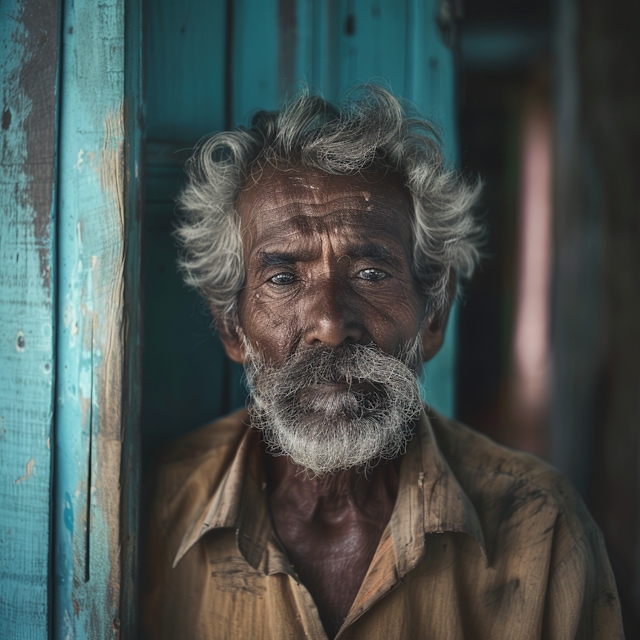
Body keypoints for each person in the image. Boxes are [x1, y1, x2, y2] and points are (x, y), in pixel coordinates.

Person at [140, 87, 624, 639]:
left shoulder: (542, 531)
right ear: (232, 327)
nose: (329, 322)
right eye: (282, 278)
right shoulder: (152, 513)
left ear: (434, 317)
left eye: (372, 274)